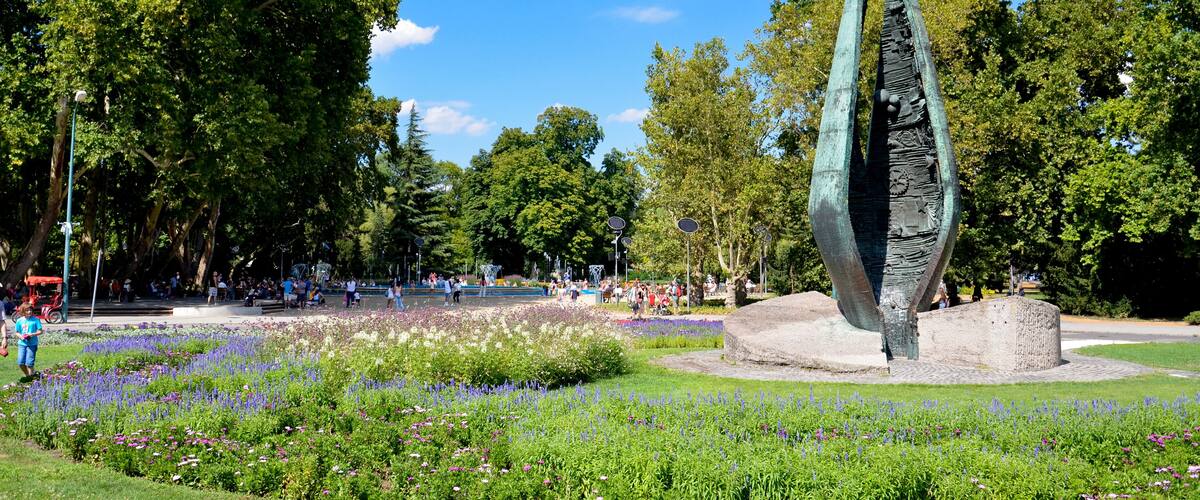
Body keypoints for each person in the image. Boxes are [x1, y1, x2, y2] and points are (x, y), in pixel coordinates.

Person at [12, 304, 42, 377]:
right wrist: (21, 337)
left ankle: (31, 377)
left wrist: (32, 334)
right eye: (27, 310)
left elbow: (40, 331)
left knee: (29, 363)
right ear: (23, 311)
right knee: (20, 362)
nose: (29, 312)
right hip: (22, 344)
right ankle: (27, 375)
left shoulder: (36, 320)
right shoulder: (19, 320)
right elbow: (17, 332)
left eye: (30, 310)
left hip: (32, 344)